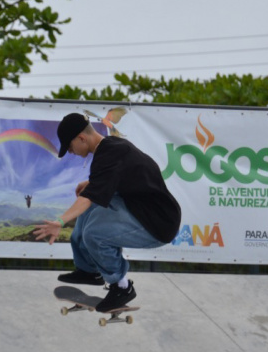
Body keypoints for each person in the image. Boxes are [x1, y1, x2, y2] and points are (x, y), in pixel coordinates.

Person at [33, 113, 181, 312]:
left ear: (82, 138)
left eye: (70, 147)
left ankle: (122, 286)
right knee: (89, 202)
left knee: (94, 233)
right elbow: (117, 175)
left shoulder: (110, 153)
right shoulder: (110, 147)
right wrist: (91, 184)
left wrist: (60, 221)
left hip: (157, 223)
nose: (71, 152)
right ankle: (89, 270)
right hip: (139, 207)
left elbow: (89, 196)